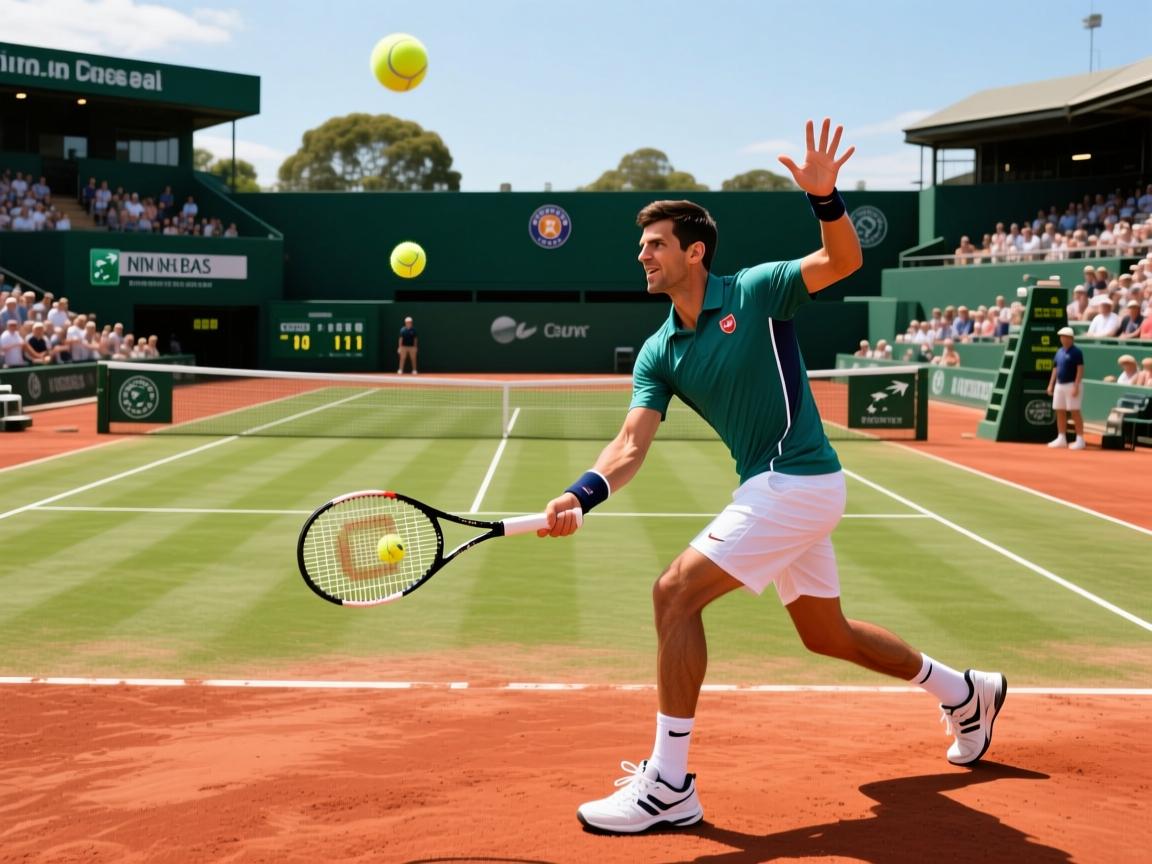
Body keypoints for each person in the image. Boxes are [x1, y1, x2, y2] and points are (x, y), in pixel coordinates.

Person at [535, 119, 1007, 835]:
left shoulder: (756, 290)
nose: (643, 256)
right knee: (827, 634)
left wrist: (825, 199)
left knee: (673, 594)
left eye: (656, 244)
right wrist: (581, 493)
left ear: (695, 251)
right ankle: (965, 691)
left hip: (797, 480)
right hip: (773, 487)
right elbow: (630, 445)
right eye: (641, 247)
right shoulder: (659, 350)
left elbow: (841, 260)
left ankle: (669, 783)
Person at [1047, 326, 1086, 450]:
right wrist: (1051, 384)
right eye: (1061, 337)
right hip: (1059, 385)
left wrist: (1076, 385)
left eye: (1065, 337)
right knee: (1060, 411)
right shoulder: (1059, 352)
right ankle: (1061, 438)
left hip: (1072, 385)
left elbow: (1080, 369)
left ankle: (1080, 439)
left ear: (1071, 338)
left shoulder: (1077, 352)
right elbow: (1055, 368)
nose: (1063, 339)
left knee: (1074, 411)